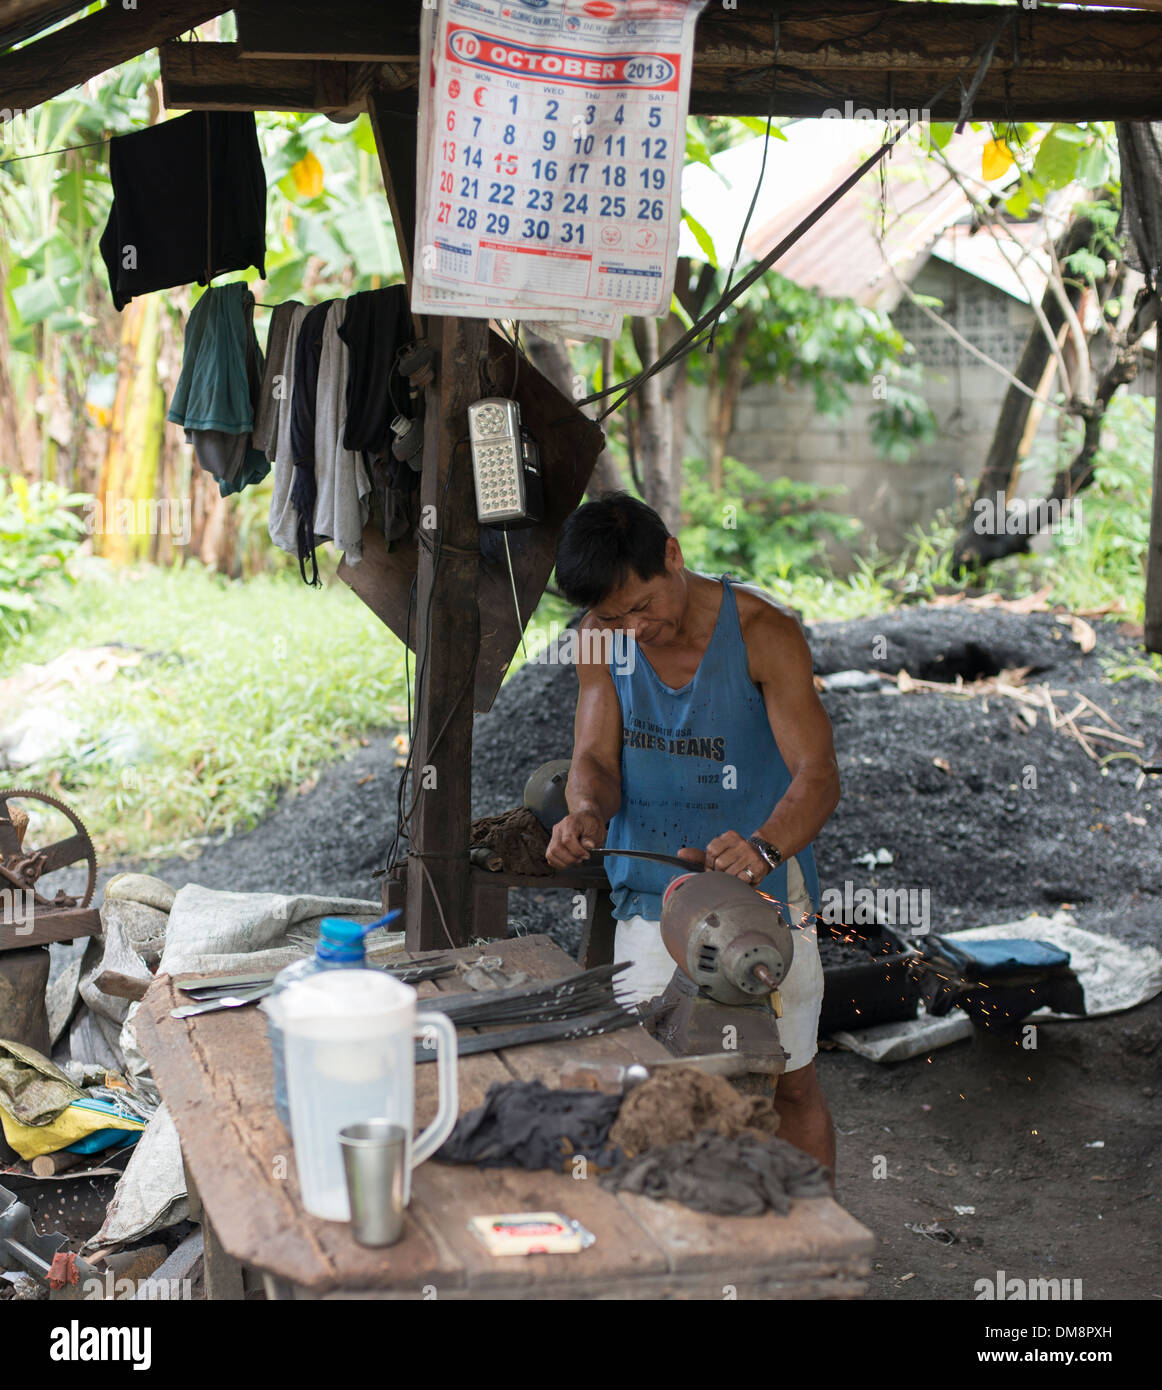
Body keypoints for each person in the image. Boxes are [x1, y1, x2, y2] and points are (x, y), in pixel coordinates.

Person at [546, 493, 840, 1172]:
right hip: (655, 900)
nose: (634, 629)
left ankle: (817, 1264)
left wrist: (763, 846)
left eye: (643, 606)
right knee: (654, 1090)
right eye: (614, 619)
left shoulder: (764, 631)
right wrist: (586, 811)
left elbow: (819, 775)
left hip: (763, 905)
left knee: (789, 1086)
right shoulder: (602, 635)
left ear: (672, 556)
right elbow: (593, 759)